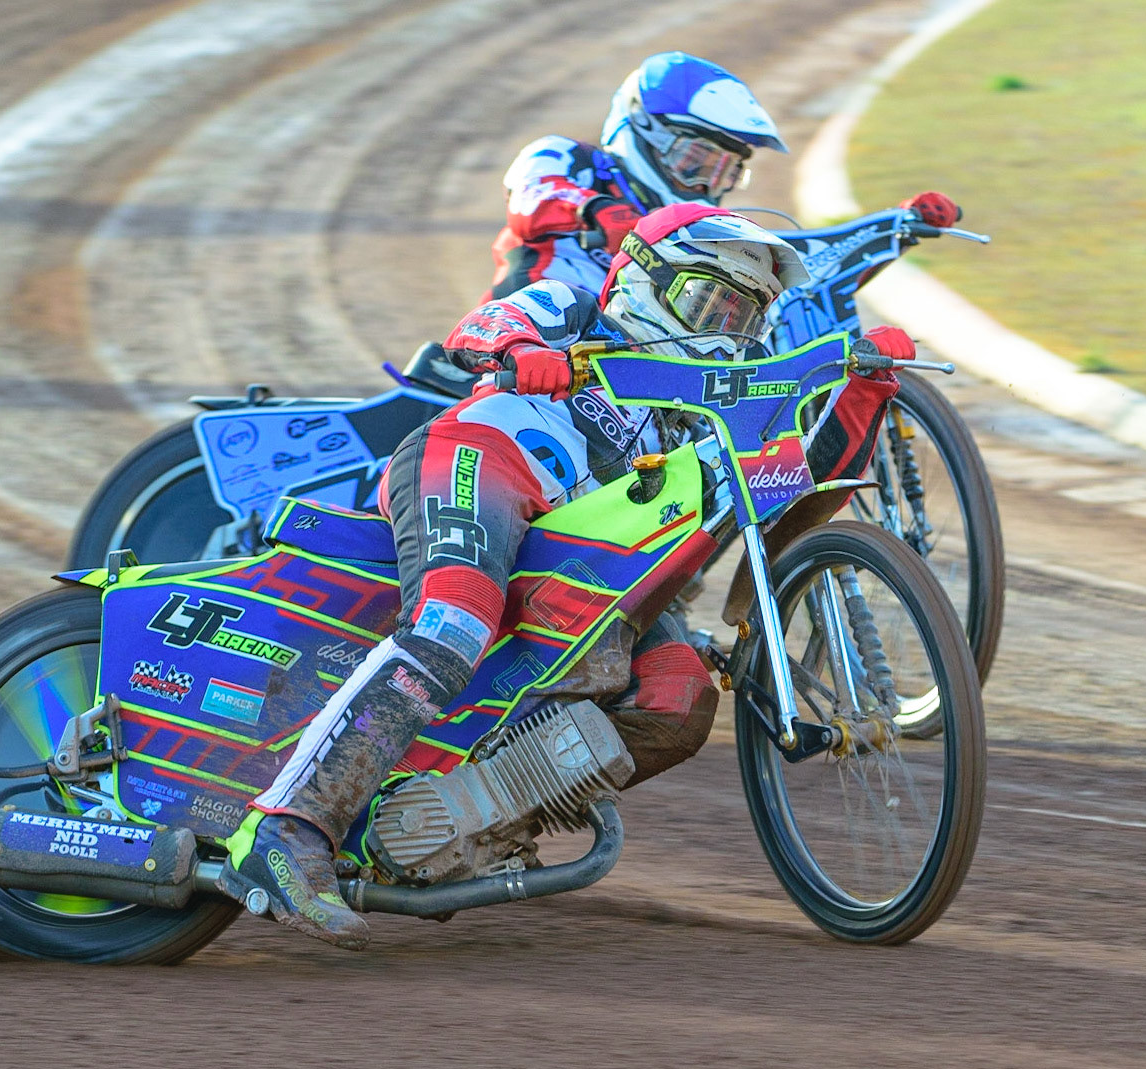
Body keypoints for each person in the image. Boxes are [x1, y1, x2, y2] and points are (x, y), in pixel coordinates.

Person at [219, 206, 917, 949]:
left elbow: (799, 496)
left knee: (677, 697)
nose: (724, 327)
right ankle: (285, 829)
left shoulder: (707, 417)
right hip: (481, 461)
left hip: (588, 560)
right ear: (644, 281)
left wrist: (864, 390)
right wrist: (524, 349)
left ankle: (456, 829)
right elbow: (479, 329)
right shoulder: (578, 307)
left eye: (742, 314)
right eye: (707, 300)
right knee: (452, 623)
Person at [486, 51, 788, 300]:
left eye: (724, 172)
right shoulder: (571, 158)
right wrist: (597, 210)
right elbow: (528, 199)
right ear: (645, 130)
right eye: (695, 161)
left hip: (622, 354)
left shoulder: (692, 233)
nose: (702, 183)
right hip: (521, 333)